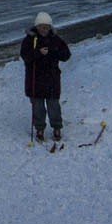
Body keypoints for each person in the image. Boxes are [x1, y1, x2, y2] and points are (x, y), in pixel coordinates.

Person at [20, 11, 71, 142]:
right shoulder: (29, 40)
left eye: (47, 27)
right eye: (42, 27)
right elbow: (25, 56)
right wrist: (38, 53)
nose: (44, 29)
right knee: (38, 107)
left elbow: (66, 55)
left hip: (52, 79)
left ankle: (57, 127)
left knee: (54, 106)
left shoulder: (56, 39)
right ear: (37, 26)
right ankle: (40, 129)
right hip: (35, 79)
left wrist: (54, 52)